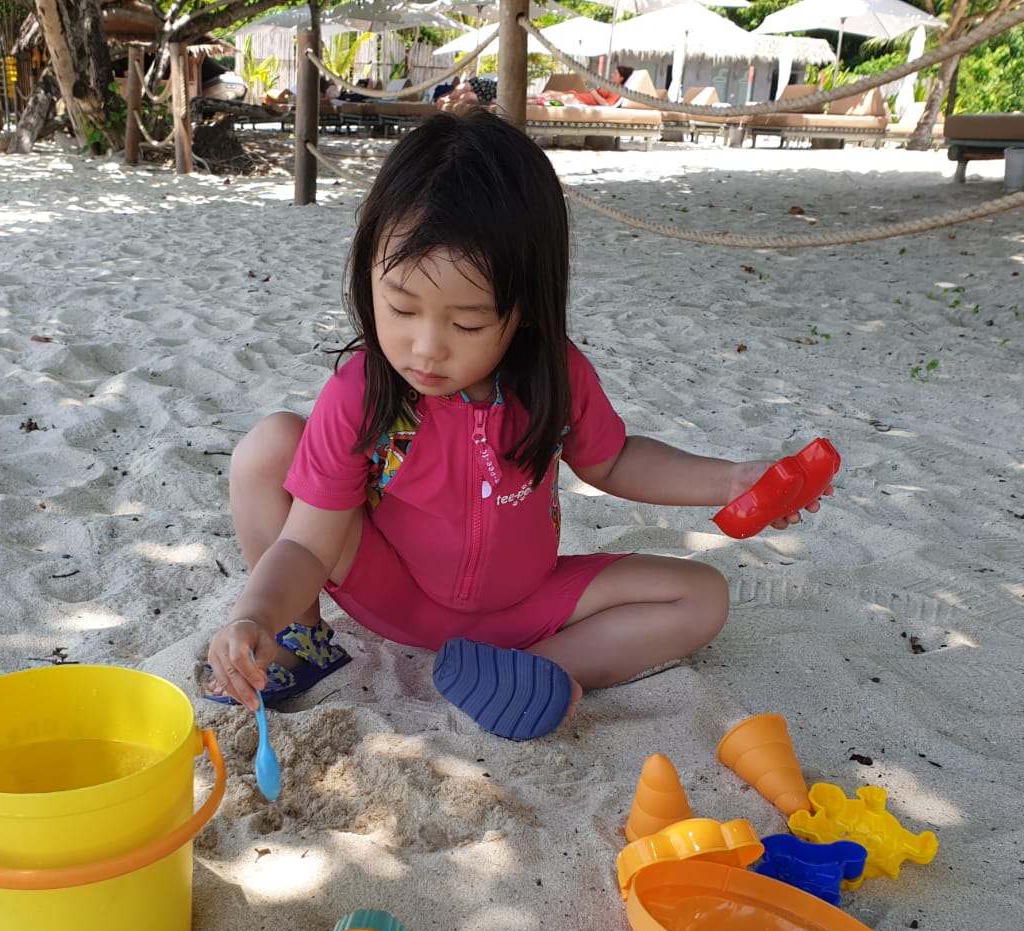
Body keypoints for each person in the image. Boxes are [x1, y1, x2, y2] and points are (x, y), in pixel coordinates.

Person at [202, 111, 828, 740]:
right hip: (391, 593)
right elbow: (309, 546)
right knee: (269, 447)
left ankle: (532, 672)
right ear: (369, 273)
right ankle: (300, 643)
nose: (426, 349)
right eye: (400, 308)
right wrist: (253, 615)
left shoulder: (554, 374)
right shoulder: (363, 395)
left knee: (702, 595)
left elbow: (613, 461)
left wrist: (730, 481)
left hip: (525, 607)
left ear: (526, 305)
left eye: (468, 324)